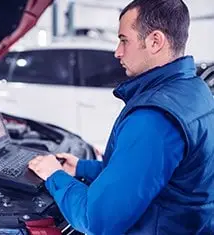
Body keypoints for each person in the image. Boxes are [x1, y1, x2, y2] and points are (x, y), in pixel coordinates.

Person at [28, 0, 214, 234]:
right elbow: (153, 176)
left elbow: (97, 221)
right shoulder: (195, 90)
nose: (118, 52)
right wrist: (82, 168)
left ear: (155, 41)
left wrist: (53, 174)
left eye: (124, 40)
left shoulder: (154, 118)